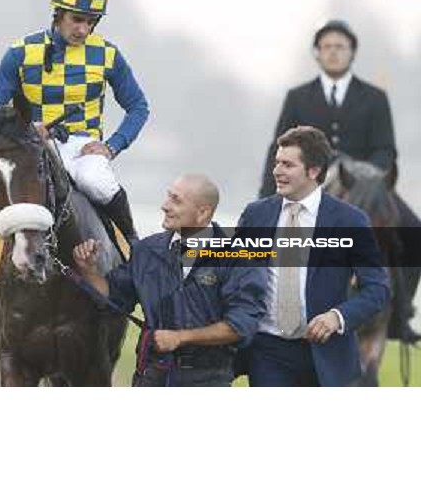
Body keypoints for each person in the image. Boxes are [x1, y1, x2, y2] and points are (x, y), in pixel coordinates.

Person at [259, 19, 421, 343]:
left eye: (340, 47)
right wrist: (267, 196)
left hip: (369, 187)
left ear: (352, 53)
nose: (334, 52)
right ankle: (257, 308)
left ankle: (400, 313)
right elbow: (279, 146)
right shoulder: (298, 96)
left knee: (414, 231)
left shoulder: (375, 97)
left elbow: (386, 149)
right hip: (311, 183)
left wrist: (365, 176)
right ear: (317, 53)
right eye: (327, 47)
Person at [0, 0, 149, 242]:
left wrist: (112, 146)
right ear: (58, 14)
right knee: (16, 186)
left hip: (83, 147)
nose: (83, 29)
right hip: (34, 145)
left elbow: (138, 107)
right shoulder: (20, 52)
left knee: (96, 182)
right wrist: (26, 127)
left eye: (91, 22)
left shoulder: (107, 54)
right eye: (77, 19)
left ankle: (133, 247)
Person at [73, 174, 267, 387]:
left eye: (176, 200)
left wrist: (181, 337)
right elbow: (112, 298)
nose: (165, 206)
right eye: (168, 197)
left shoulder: (240, 257)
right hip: (151, 376)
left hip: (208, 380)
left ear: (203, 213)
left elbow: (241, 326)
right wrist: (89, 271)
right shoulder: (145, 251)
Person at [243, 126, 390, 386]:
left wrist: (337, 317)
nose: (277, 171)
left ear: (313, 171)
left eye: (288, 165)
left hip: (327, 356)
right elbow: (232, 273)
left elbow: (378, 289)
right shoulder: (256, 214)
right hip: (266, 352)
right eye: (277, 163)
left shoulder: (351, 221)